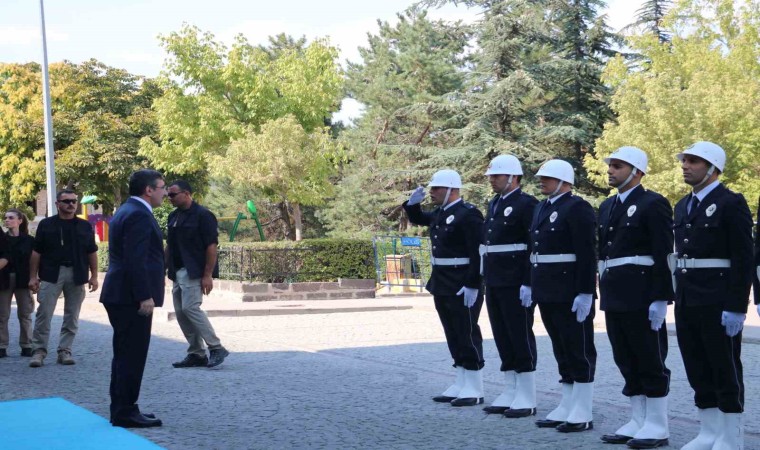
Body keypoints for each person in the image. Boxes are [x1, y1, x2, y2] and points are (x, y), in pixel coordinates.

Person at [671, 142, 753, 449]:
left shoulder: (731, 202)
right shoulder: (682, 205)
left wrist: (736, 306)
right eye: (685, 161)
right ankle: (708, 432)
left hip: (718, 299)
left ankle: (731, 436)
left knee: (724, 366)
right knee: (696, 365)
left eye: (693, 161)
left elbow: (743, 258)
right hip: (688, 297)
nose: (685, 165)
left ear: (713, 167)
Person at [595, 148, 673, 449]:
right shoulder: (607, 206)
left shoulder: (653, 203)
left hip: (642, 293)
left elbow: (663, 253)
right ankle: (638, 420)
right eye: (611, 166)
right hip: (615, 292)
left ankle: (657, 424)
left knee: (649, 357)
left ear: (637, 171)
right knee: (625, 357)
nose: (610, 170)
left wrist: (661, 298)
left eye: (618, 166)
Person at [403, 169, 486, 406]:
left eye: (436, 188)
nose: (432, 192)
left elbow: (478, 253)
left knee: (466, 331)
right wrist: (412, 205)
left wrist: (473, 284)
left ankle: (474, 385)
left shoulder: (468, 214)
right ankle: (461, 380)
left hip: (462, 282)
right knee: (452, 332)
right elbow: (419, 218)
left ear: (451, 189)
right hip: (442, 281)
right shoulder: (442, 213)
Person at [526, 159, 597, 433]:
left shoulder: (577, 207)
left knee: (578, 348)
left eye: (547, 178)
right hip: (547, 289)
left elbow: (587, 253)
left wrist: (585, 291)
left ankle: (583, 408)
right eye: (541, 177)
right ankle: (567, 403)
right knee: (561, 348)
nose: (542, 181)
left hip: (569, 290)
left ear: (564, 181)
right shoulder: (542, 207)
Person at [100, 169, 167, 428]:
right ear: (148, 190)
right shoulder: (138, 214)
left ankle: (123, 407)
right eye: (162, 187)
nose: (165, 192)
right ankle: (125, 411)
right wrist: (144, 295)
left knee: (125, 354)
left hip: (121, 293)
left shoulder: (127, 210)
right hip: (129, 296)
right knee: (132, 355)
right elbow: (135, 260)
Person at [479, 155, 539, 418]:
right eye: (491, 176)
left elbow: (533, 245)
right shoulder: (494, 203)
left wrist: (528, 281)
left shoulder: (527, 204)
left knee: (519, 334)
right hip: (495, 279)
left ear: (513, 177)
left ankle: (526, 394)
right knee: (502, 334)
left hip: (515, 279)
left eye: (497, 176)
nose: (491, 180)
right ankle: (511, 389)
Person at [28, 190, 98, 367]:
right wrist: (33, 277)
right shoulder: (46, 224)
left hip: (77, 274)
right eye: (66, 201)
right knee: (44, 314)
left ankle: (65, 351)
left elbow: (92, 251)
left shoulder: (84, 226)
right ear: (57, 204)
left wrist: (95, 276)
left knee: (72, 315)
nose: (71, 204)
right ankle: (38, 351)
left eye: (74, 201)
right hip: (51, 273)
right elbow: (36, 252)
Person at [165, 180, 229, 368]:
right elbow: (170, 245)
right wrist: (162, 267)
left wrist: (207, 275)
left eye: (173, 195)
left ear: (186, 194)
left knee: (190, 308)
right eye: (168, 195)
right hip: (177, 271)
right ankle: (196, 353)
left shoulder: (203, 215)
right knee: (181, 312)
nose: (169, 198)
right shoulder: (173, 216)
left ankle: (216, 347)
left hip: (194, 270)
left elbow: (211, 246)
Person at [0, 209, 35, 358]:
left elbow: (34, 261)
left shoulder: (29, 240)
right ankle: (1, 346)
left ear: (20, 221)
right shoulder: (2, 238)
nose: (7, 220)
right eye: (5, 218)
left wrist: (35, 278)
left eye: (11, 217)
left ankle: (27, 345)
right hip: (3, 278)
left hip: (24, 279)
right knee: (2, 314)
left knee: (25, 314)